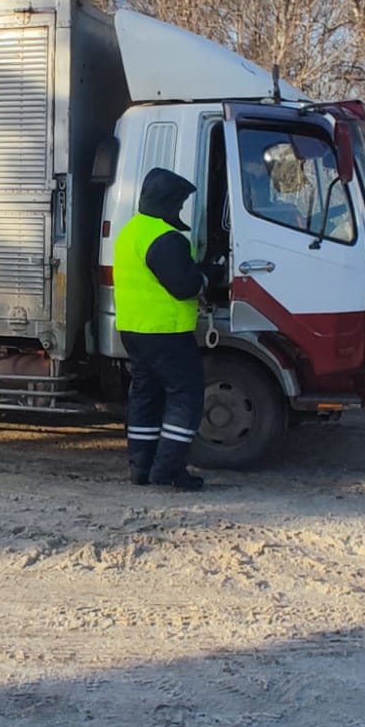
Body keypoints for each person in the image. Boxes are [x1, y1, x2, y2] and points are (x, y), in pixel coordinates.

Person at [114, 167, 211, 491]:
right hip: (166, 332)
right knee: (185, 397)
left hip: (133, 330)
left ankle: (140, 469)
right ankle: (169, 471)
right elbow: (184, 286)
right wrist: (207, 277)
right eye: (180, 203)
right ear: (168, 202)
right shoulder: (165, 238)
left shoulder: (131, 231)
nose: (181, 209)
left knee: (145, 397)